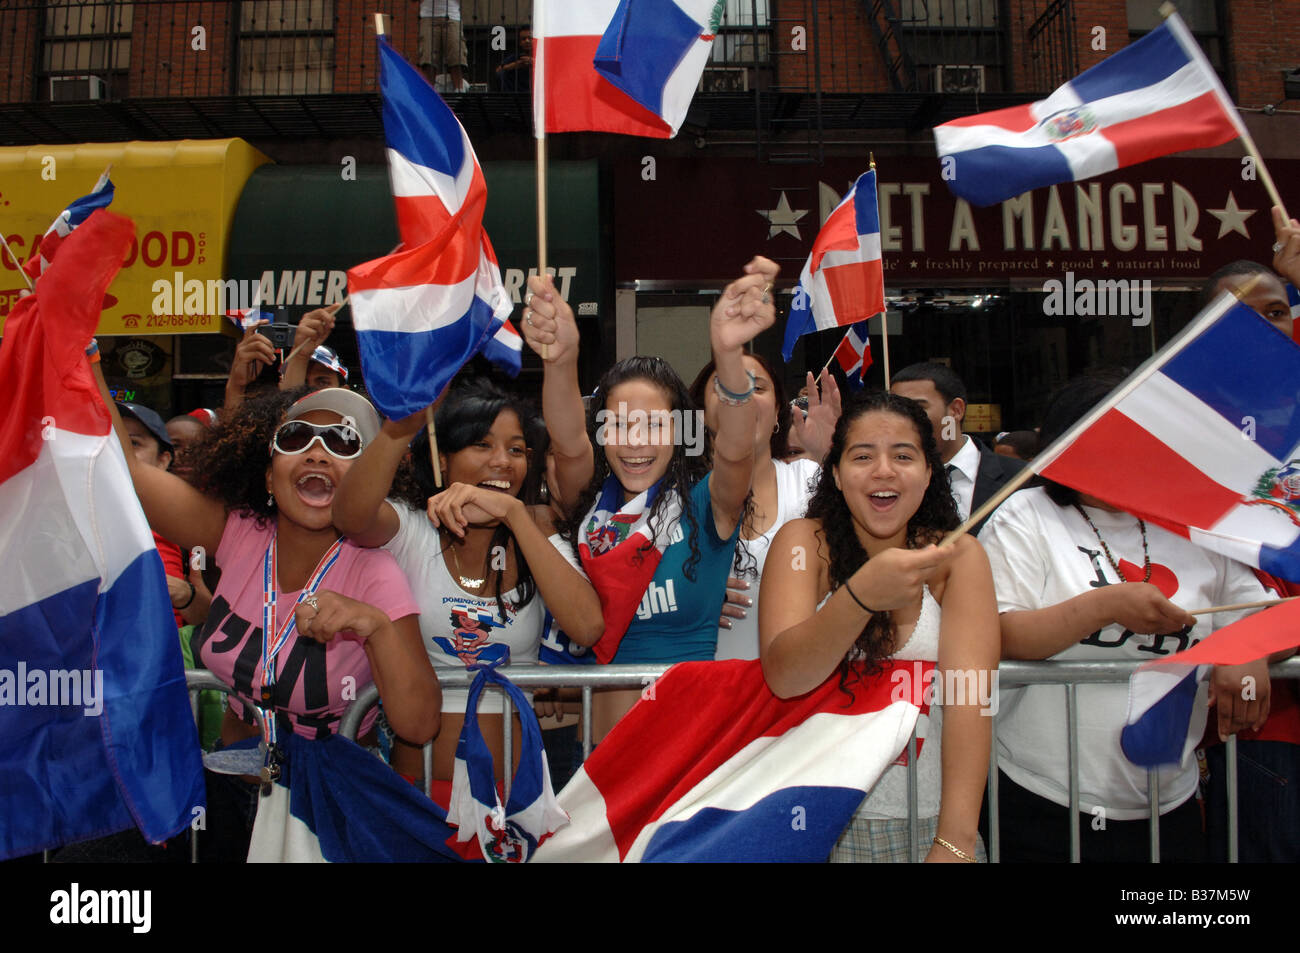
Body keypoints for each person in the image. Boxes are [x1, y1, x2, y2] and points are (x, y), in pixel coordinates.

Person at [94, 369, 440, 861]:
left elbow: (419, 724)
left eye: (344, 443)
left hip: (327, 807)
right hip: (233, 789)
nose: (318, 452)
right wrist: (83, 354)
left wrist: (375, 625)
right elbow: (124, 472)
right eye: (297, 437)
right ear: (268, 475)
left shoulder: (376, 573)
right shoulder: (238, 535)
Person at [977, 373, 1276, 863]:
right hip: (1043, 796)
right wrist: (1106, 606)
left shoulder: (1192, 521)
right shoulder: (1025, 516)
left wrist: (1247, 650)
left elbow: (1264, 612)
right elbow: (1002, 633)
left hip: (1167, 800)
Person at [520, 257, 779, 739]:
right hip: (598, 765)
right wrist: (560, 361)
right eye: (618, 424)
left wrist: (727, 353)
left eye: (653, 425)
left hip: (686, 761)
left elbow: (737, 447)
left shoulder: (709, 506)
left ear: (681, 432)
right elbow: (568, 442)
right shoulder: (594, 508)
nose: (634, 442)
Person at [332, 377, 604, 799]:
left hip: (515, 800)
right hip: (418, 795)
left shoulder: (536, 525)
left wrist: (514, 514)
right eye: (482, 445)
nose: (503, 462)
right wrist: (401, 425)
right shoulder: (411, 528)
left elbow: (587, 626)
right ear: (443, 458)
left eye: (516, 449)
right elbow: (349, 517)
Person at [759, 391, 999, 862]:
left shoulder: (959, 557)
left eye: (903, 455)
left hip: (923, 824)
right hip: (807, 822)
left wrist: (956, 842)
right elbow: (786, 675)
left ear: (929, 474)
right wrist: (860, 597)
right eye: (862, 456)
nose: (883, 470)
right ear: (835, 473)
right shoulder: (802, 543)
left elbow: (971, 697)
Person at [687, 359, 839, 660]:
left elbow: (861, 554)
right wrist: (687, 599)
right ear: (701, 415)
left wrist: (832, 457)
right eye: (723, 387)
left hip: (797, 694)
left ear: (777, 411)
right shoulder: (677, 498)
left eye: (756, 387)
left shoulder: (810, 480)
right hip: (707, 690)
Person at [891, 362, 1021, 532]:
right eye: (897, 410)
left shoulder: (1021, 479)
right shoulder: (885, 481)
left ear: (956, 410)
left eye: (918, 408)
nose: (905, 420)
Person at [418, 0, 468, 92]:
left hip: (452, 15)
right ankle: (430, 94)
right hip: (428, 15)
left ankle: (460, 92)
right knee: (428, 60)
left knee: (456, 57)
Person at [495, 26, 532, 91]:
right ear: (520, 43)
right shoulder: (515, 57)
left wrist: (534, 63)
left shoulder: (542, 56)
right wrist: (517, 64)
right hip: (517, 93)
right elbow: (498, 70)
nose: (527, 41)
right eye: (523, 39)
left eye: (530, 38)